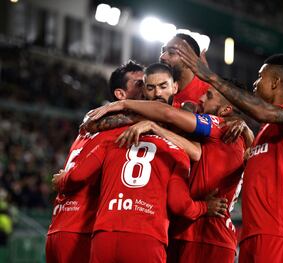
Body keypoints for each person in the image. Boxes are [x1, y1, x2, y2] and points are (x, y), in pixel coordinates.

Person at [175, 43, 283, 263]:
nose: (255, 83)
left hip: (280, 233)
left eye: (260, 77)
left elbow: (260, 111)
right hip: (251, 235)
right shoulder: (264, 133)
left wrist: (211, 77)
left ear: (275, 82)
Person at [88, 84, 253, 263]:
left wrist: (123, 105)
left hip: (206, 236)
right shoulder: (221, 136)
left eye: (209, 96)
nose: (202, 98)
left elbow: (168, 114)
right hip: (187, 233)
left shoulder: (219, 126)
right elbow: (196, 151)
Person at [45, 60, 145, 263]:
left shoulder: (91, 126)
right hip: (80, 231)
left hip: (59, 227)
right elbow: (81, 174)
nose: (146, 88)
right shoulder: (117, 131)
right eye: (139, 83)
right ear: (120, 95)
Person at [160, 33, 210, 108]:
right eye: (163, 51)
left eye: (171, 53)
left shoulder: (209, 93)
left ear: (191, 59)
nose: (163, 56)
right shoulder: (157, 89)